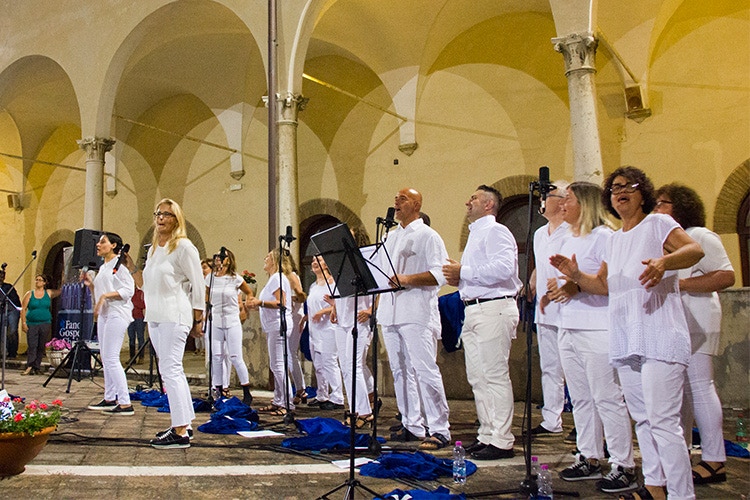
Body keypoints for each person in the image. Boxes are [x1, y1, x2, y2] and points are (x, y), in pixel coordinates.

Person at [551, 167, 703, 500]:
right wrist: (576, 275)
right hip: (627, 338)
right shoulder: (617, 239)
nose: (621, 191)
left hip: (659, 333)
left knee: (663, 421)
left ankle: (682, 494)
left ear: (643, 193)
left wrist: (665, 262)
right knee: (643, 420)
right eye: (615, 187)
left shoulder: (657, 223)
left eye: (629, 186)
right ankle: (655, 487)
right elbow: (602, 286)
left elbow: (694, 250)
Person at [548, 182, 636, 492]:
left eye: (568, 199)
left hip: (598, 327)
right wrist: (559, 287)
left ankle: (623, 463)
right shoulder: (568, 237)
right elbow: (571, 283)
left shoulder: (604, 237)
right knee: (581, 398)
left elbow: (608, 285)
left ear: (585, 203)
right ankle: (589, 455)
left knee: (606, 397)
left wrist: (575, 280)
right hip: (568, 325)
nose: (562, 205)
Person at [654, 183, 735, 486]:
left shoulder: (700, 236)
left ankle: (714, 459)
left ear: (681, 207)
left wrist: (681, 285)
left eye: (663, 203)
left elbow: (726, 275)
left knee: (700, 387)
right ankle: (682, 453)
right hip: (676, 322)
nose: (657, 208)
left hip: (698, 320)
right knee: (682, 393)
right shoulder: (669, 241)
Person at [442, 185, 521, 460]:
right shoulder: (476, 234)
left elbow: (504, 269)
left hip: (494, 308)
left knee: (495, 375)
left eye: (474, 198)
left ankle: (502, 439)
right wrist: (460, 277)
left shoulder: (496, 231)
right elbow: (479, 275)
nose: (468, 201)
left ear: (489, 204)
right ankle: (487, 433)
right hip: (474, 309)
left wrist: (463, 271)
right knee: (478, 377)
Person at [126, 198, 205, 449]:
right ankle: (185, 425)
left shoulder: (184, 247)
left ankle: (179, 431)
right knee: (170, 370)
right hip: (156, 316)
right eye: (158, 213)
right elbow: (145, 285)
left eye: (167, 214)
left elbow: (198, 284)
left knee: (171, 369)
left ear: (176, 219)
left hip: (175, 314)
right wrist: (131, 267)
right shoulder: (153, 250)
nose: (161, 218)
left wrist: (199, 317)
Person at [378, 187, 451, 451]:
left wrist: (407, 279)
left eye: (403, 198)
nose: (396, 202)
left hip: (416, 311)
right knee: (399, 370)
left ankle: (439, 428)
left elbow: (441, 274)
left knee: (424, 369)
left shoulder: (428, 236)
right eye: (395, 198)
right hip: (390, 311)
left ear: (417, 204)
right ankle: (412, 423)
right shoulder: (389, 237)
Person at [527, 181, 569, 438]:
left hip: (568, 307)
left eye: (548, 195)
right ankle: (551, 419)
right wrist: (531, 283)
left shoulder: (572, 231)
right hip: (544, 309)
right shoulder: (540, 233)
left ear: (563, 202)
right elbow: (540, 265)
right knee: (550, 366)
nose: (542, 200)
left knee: (574, 368)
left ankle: (586, 422)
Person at [83, 232, 135, 415]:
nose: (98, 245)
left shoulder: (119, 267)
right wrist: (91, 285)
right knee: (105, 357)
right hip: (105, 315)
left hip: (117, 313)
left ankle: (125, 403)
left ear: (113, 245)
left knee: (112, 357)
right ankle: (109, 397)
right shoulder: (104, 267)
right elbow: (100, 292)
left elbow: (128, 291)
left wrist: (105, 296)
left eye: (102, 242)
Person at [246, 249, 295, 416]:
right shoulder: (274, 279)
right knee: (276, 365)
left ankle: (287, 403)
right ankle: (279, 400)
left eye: (268, 256)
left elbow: (281, 303)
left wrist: (259, 302)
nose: (265, 258)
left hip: (278, 324)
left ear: (275, 260)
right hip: (274, 325)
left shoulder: (277, 278)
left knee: (279, 365)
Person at [205, 248, 254, 406]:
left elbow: (248, 292)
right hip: (216, 319)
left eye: (222, 256)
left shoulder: (235, 278)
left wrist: (246, 305)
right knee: (217, 356)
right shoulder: (210, 278)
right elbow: (207, 294)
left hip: (232, 319)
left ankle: (246, 391)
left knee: (235, 356)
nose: (218, 258)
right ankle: (218, 390)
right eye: (217, 256)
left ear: (229, 259)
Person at [303, 256, 344, 410]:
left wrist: (323, 311)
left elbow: (339, 305)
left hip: (328, 328)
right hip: (314, 329)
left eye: (318, 260)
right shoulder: (313, 286)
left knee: (329, 362)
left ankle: (338, 397)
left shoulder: (333, 284)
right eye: (313, 260)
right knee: (318, 364)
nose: (314, 263)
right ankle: (322, 395)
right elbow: (312, 306)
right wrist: (304, 319)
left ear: (326, 264)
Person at [20, 274, 61, 375]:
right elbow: (23, 309)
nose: (37, 281)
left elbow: (61, 291)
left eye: (40, 280)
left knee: (41, 346)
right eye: (36, 280)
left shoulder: (48, 293)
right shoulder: (30, 294)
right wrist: (23, 323)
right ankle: (30, 366)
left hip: (45, 323)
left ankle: (37, 366)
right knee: (32, 345)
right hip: (32, 323)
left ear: (44, 283)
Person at [283, 253, 308, 405]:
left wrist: (287, 299)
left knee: (291, 353)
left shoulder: (291, 276)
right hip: (288, 316)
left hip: (294, 316)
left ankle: (300, 389)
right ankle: (298, 388)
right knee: (288, 354)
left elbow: (301, 296)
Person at [0, 267, 21, 359]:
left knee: (12, 330)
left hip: (12, 310)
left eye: (2, 277)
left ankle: (13, 352)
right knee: (2, 331)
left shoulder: (8, 287)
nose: (1, 278)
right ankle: (3, 352)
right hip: (1, 311)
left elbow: (15, 300)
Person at [127, 287, 146, 364]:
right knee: (131, 338)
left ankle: (141, 357)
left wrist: (133, 303)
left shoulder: (141, 293)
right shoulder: (129, 293)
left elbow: (142, 304)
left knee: (140, 337)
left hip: (139, 318)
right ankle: (132, 358)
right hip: (130, 317)